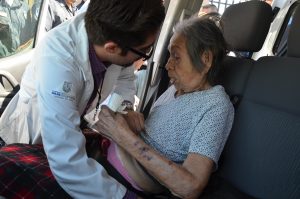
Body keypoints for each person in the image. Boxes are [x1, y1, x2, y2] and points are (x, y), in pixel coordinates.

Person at [0, 0, 165, 198]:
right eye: (145, 51)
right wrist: (122, 196)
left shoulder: (114, 31)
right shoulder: (59, 61)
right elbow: (67, 161)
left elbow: (125, 77)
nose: (143, 57)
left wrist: (125, 108)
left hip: (71, 127)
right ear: (112, 48)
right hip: (34, 137)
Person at [95, 17, 234, 198]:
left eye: (176, 57)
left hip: (119, 184)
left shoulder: (216, 106)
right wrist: (129, 120)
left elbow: (190, 186)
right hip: (103, 158)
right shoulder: (175, 90)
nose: (168, 65)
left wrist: (122, 135)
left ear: (205, 59)